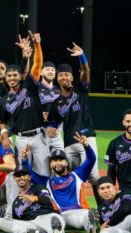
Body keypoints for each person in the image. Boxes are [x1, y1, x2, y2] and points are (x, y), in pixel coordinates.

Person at [23, 133, 99, 233]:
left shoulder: (78, 175)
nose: (57, 163)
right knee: (55, 219)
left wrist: (87, 146)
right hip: (59, 216)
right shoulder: (47, 182)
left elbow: (91, 160)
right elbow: (30, 175)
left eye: (60, 160)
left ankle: (91, 226)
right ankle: (89, 224)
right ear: (50, 164)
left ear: (66, 163)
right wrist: (25, 160)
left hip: (79, 211)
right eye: (54, 161)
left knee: (85, 215)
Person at [0, 32, 50, 177]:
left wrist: (37, 44)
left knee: (44, 173)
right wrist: (5, 136)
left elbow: (38, 64)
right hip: (20, 139)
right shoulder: (3, 100)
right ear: (6, 79)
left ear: (20, 76)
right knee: (22, 174)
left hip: (38, 136)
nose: (12, 78)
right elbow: (2, 121)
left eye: (15, 75)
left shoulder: (29, 86)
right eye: (9, 76)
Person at [51, 43, 99, 183]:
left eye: (67, 75)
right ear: (57, 78)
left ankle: (102, 205)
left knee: (93, 176)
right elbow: (54, 121)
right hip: (69, 143)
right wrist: (49, 127)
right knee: (71, 178)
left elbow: (85, 72)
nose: (64, 77)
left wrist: (82, 56)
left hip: (87, 138)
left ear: (72, 77)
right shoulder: (56, 102)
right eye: (61, 75)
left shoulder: (80, 90)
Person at [0, 166, 65, 233]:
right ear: (14, 178)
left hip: (46, 216)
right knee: (1, 221)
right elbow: (16, 221)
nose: (21, 177)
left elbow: (47, 200)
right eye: (18, 176)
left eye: (24, 175)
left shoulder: (38, 187)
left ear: (29, 177)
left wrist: (35, 198)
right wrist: (3, 226)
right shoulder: (15, 203)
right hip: (32, 224)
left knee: (53, 219)